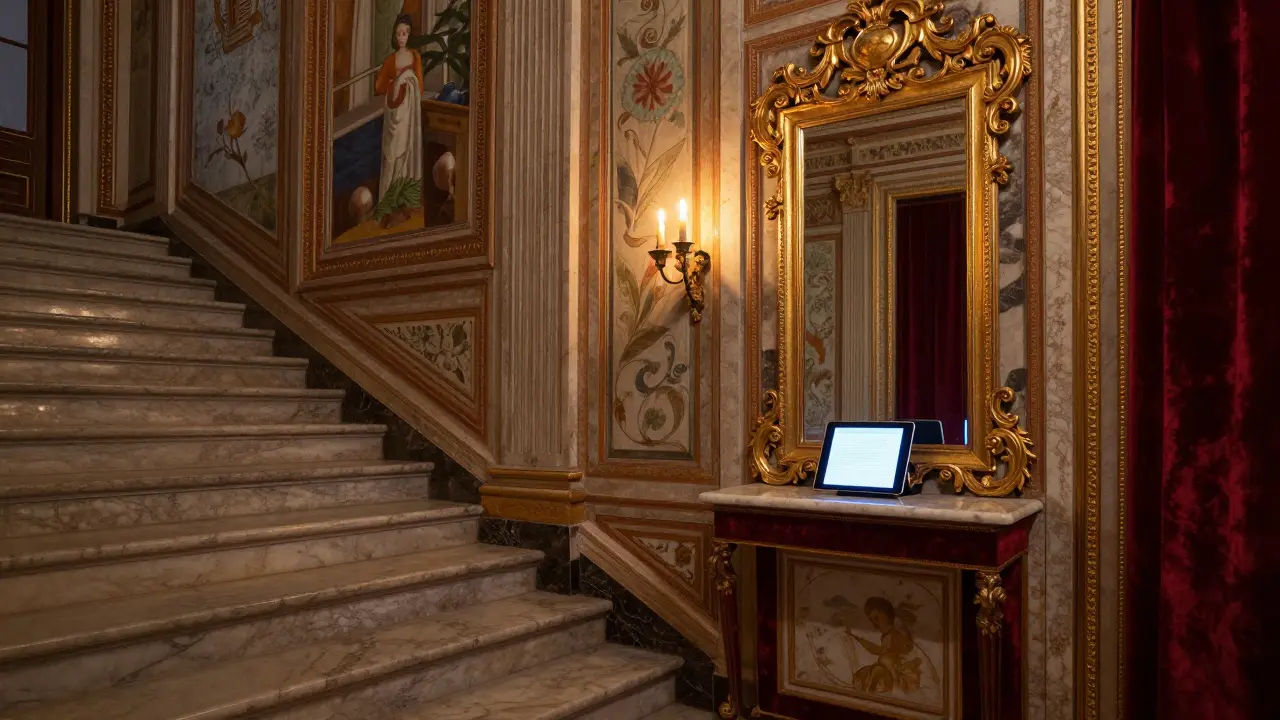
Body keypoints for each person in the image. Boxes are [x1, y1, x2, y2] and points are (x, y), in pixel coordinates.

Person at [373, 14, 424, 207]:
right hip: (394, 115)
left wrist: (409, 80)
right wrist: (397, 83)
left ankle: (405, 202)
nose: (402, 37)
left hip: (409, 115)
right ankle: (388, 202)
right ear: (395, 36)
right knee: (392, 155)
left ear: (409, 35)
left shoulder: (415, 57)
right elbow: (378, 87)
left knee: (406, 154)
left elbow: (419, 87)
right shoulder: (390, 60)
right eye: (398, 34)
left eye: (405, 33)